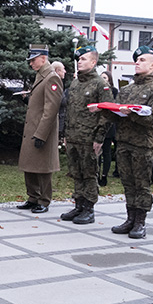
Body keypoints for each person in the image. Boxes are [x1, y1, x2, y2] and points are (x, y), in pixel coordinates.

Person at [94, 46, 153, 239]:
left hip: (142, 144)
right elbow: (116, 116)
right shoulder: (127, 89)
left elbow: (152, 118)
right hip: (124, 141)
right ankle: (130, 218)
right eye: (137, 60)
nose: (137, 62)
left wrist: (132, 114)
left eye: (142, 60)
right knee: (127, 183)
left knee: (141, 184)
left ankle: (140, 222)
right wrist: (104, 109)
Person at [60, 46, 113, 224]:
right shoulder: (75, 83)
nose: (79, 62)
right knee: (76, 172)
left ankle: (89, 208)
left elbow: (107, 113)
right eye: (79, 59)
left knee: (89, 173)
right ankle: (79, 205)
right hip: (74, 136)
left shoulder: (100, 84)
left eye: (83, 59)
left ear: (93, 62)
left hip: (89, 138)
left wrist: (99, 138)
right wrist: (66, 134)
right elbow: (70, 111)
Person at [17, 44, 62, 214]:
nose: (31, 63)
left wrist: (41, 134)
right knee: (30, 165)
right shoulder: (40, 76)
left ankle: (44, 200)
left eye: (33, 60)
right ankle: (33, 197)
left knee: (43, 168)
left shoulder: (51, 77)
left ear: (43, 58)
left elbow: (51, 110)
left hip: (42, 130)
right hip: (33, 128)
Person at [98, 70, 118, 186]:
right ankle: (97, 173)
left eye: (105, 78)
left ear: (109, 79)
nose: (103, 80)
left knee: (106, 151)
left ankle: (104, 175)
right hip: (98, 123)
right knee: (97, 152)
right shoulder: (98, 90)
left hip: (109, 124)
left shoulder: (114, 91)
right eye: (101, 77)